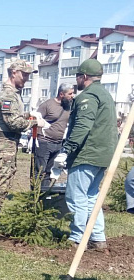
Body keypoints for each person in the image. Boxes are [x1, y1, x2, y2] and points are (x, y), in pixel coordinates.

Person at [53, 59, 117, 250]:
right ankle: (97, 238)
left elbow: (82, 126)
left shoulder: (87, 97)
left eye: (78, 76)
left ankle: (77, 237)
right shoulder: (106, 95)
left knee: (76, 197)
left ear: (85, 77)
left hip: (87, 154)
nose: (76, 80)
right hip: (103, 155)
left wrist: (67, 150)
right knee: (91, 197)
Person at [0, 59, 38, 223]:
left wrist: (27, 115)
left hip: (6, 142)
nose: (26, 78)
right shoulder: (8, 95)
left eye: (28, 75)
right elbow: (13, 122)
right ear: (14, 73)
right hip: (3, 143)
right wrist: (34, 122)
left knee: (3, 177)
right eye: (24, 74)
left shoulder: (13, 94)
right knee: (2, 179)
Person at [31, 83, 75, 187]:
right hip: (44, 142)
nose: (72, 96)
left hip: (58, 144)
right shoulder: (47, 105)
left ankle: (45, 196)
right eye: (70, 93)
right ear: (61, 94)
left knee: (49, 172)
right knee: (39, 171)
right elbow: (35, 119)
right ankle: (35, 197)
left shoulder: (68, 107)